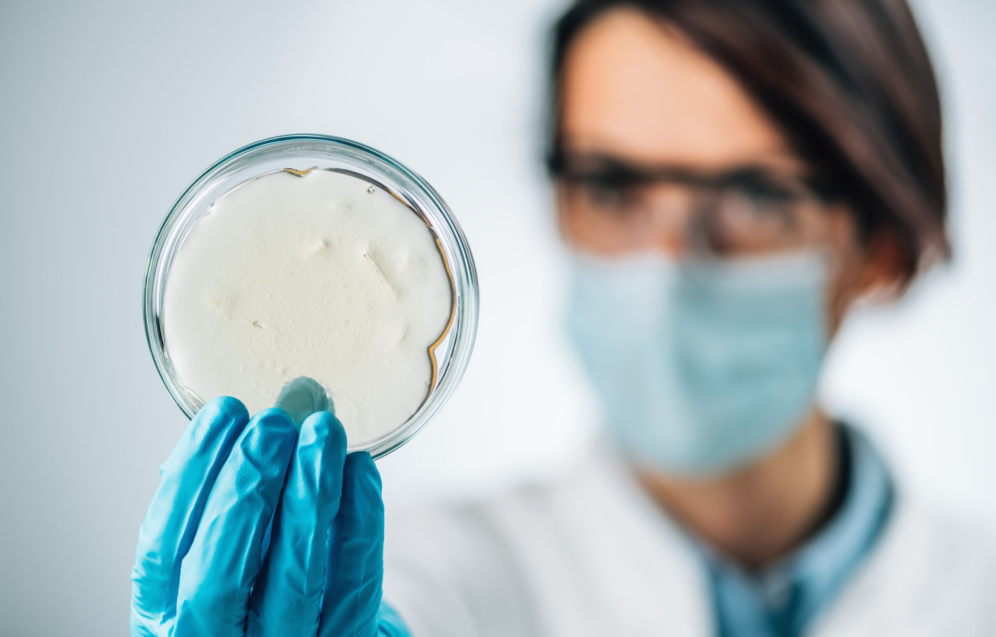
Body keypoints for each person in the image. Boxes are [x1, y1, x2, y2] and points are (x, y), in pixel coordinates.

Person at [130, 0, 996, 635]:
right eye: (612, 186)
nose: (667, 262)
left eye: (756, 196)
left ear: (882, 248)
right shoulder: (426, 582)